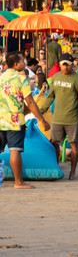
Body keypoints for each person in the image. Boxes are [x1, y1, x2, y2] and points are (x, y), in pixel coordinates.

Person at [0, 54, 50, 189]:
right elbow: (30, 102)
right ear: (16, 64)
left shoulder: (1, 77)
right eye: (22, 61)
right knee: (15, 151)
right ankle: (18, 182)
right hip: (14, 121)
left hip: (1, 119)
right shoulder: (21, 79)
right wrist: (41, 119)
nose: (24, 62)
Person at [38, 53, 78, 180]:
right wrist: (41, 111)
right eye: (64, 64)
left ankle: (72, 173)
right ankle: (56, 168)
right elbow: (50, 96)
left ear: (72, 66)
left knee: (74, 144)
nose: (66, 67)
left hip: (72, 118)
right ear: (59, 65)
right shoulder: (56, 77)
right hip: (58, 118)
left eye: (69, 65)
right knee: (54, 143)